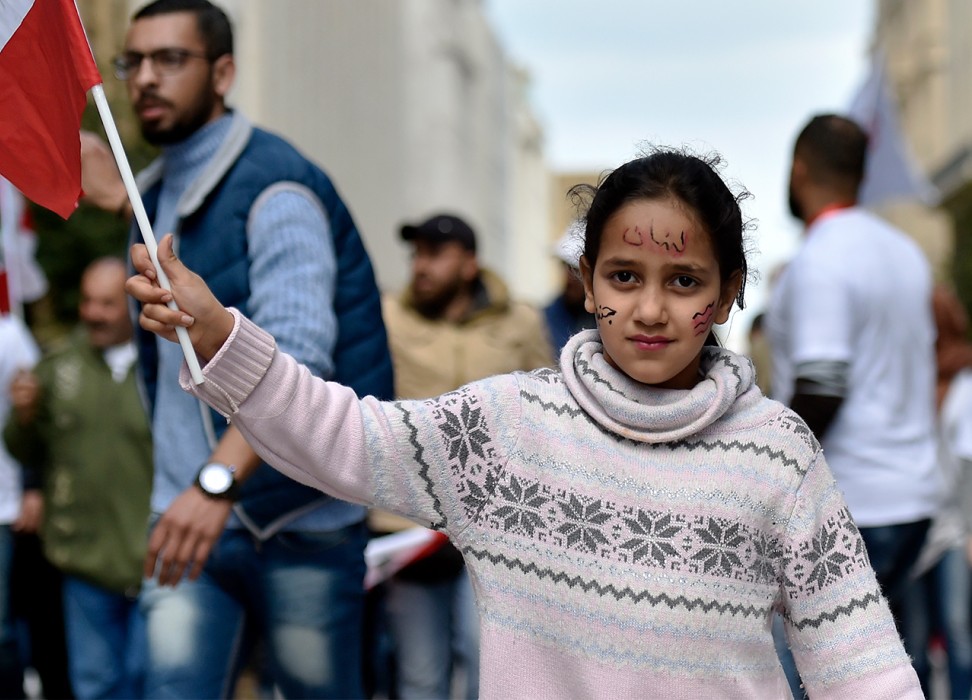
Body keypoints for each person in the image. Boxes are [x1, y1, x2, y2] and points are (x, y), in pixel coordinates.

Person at [128, 147, 922, 698]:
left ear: (730, 290)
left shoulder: (779, 455)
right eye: (623, 276)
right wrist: (221, 336)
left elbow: (862, 666)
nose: (649, 308)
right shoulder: (505, 427)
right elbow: (342, 435)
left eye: (684, 280)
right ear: (586, 282)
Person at [80, 0, 393, 696]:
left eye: (171, 60)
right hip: (187, 515)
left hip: (293, 517)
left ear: (223, 72)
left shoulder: (275, 185)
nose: (146, 80)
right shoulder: (157, 188)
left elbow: (301, 360)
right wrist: (120, 200)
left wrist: (213, 484)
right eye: (134, 62)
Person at [767, 114, 940, 617]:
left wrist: (764, 469)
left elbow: (822, 387)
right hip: (914, 500)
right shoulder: (905, 252)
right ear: (861, 175)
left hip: (852, 507)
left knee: (806, 679)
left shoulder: (823, 259)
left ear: (798, 169)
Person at [374, 212, 553, 698]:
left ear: (469, 264)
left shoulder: (520, 321)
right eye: (416, 255)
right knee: (419, 673)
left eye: (435, 254)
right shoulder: (388, 315)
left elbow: (550, 413)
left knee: (486, 659)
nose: (421, 266)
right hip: (410, 527)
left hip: (497, 528)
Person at [4, 258, 152, 700]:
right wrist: (24, 417)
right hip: (84, 558)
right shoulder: (58, 367)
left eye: (107, 303)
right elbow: (24, 451)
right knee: (96, 684)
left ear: (131, 307)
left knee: (151, 679)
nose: (93, 313)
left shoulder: (163, 368)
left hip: (158, 560)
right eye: (88, 301)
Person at [900, 285, 972, 699]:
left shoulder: (964, 380)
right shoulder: (909, 378)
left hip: (955, 526)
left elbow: (968, 462)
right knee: (915, 638)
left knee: (958, 625)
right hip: (912, 520)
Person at [0, 314, 40, 699]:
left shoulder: (8, 332)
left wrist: (32, 483)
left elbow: (31, 403)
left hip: (2, 504)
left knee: (1, 631)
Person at [544, 220, 596, 354]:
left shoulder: (610, 321)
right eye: (565, 267)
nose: (569, 278)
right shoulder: (545, 318)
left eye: (576, 271)